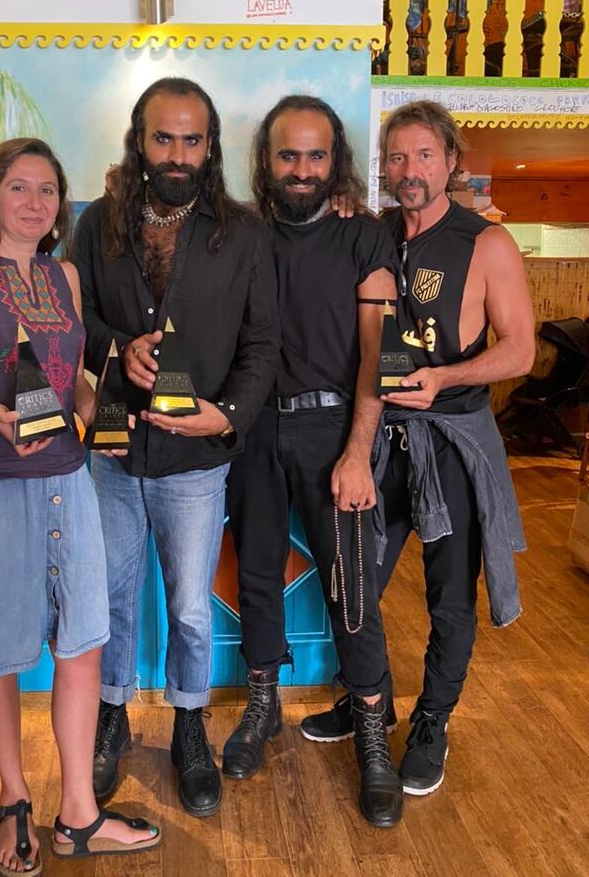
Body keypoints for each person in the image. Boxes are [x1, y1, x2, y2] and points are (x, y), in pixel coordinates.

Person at [0, 138, 159, 875]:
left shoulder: (62, 275)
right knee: (1, 650)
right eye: (20, 188)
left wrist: (96, 416)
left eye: (48, 190)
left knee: (80, 643)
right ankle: (14, 801)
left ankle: (79, 813)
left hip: (65, 478)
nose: (35, 202)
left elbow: (67, 374)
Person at [302, 99, 534, 797]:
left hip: (453, 443)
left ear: (451, 161)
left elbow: (519, 350)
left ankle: (433, 723)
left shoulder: (485, 243)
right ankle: (370, 697)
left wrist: (447, 377)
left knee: (449, 600)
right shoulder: (373, 236)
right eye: (397, 158)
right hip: (377, 439)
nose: (410, 170)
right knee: (356, 581)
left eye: (424, 156)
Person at [73, 77, 279, 818]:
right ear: (139, 139)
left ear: (211, 145)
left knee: (191, 608)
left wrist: (224, 417)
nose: (179, 153)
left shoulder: (244, 232)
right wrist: (117, 348)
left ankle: (189, 725)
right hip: (113, 451)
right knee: (114, 600)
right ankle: (112, 719)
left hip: (197, 462)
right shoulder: (97, 224)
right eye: (164, 138)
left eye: (194, 140)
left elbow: (263, 345)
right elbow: (75, 319)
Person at [222, 95, 404, 828]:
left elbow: (378, 356)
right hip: (253, 434)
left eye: (316, 155)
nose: (302, 170)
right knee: (257, 574)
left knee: (352, 591)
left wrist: (359, 451)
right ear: (266, 161)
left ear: (337, 161)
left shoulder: (364, 241)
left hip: (336, 431)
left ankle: (371, 729)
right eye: (288, 155)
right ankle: (262, 705)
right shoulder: (239, 238)